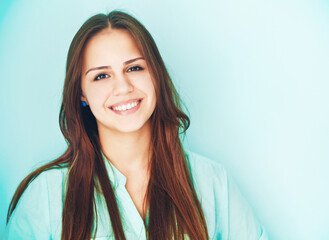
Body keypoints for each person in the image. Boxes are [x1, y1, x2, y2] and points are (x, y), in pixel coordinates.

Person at [4, 10, 268, 240]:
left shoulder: (212, 182)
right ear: (80, 94)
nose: (123, 87)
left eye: (134, 68)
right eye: (101, 76)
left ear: (155, 74)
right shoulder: (46, 197)